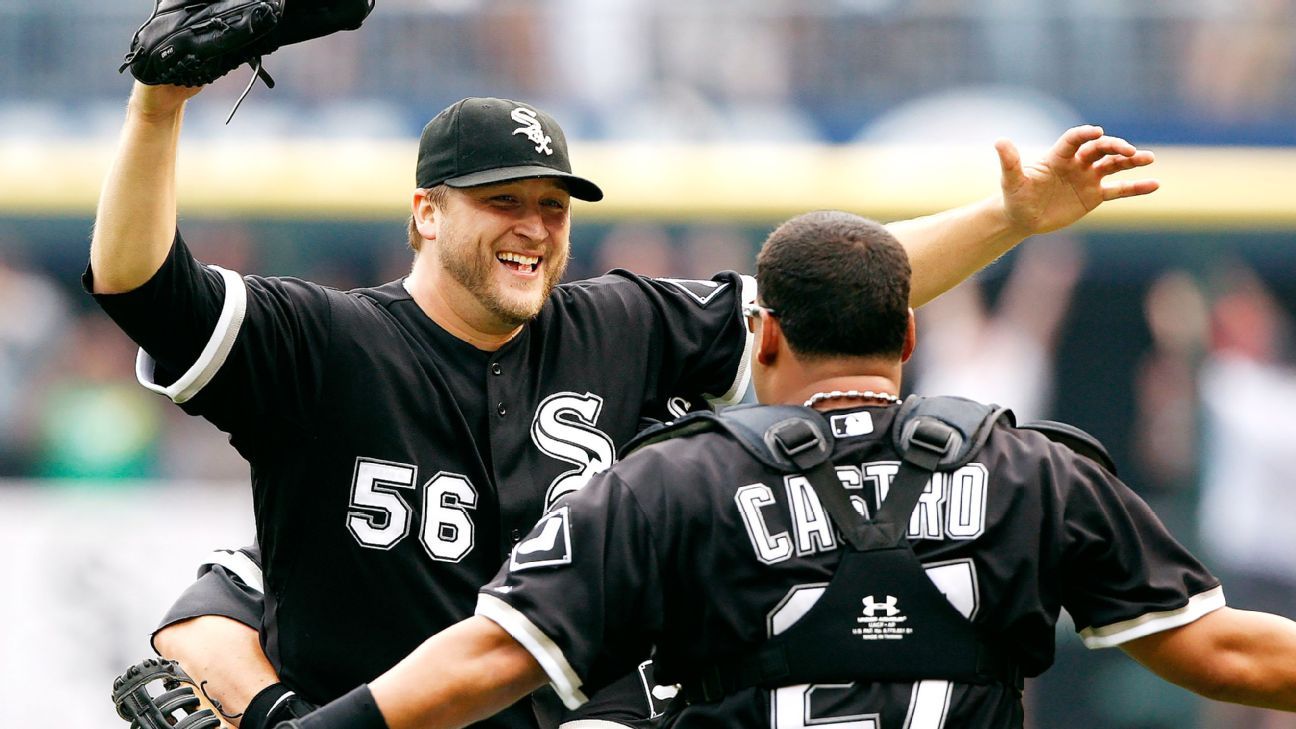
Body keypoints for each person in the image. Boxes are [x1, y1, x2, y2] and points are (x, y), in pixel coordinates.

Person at [90, 79, 1158, 728]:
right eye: (502, 202)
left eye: (553, 206)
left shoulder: (623, 324)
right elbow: (143, 287)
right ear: (424, 212)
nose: (535, 228)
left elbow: (834, 292)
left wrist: (1009, 217)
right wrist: (157, 111)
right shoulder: (322, 341)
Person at [281, 210, 1296, 729]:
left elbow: (483, 664)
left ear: (759, 338)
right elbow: (1226, 655)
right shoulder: (1034, 474)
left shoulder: (664, 484)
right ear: (906, 332)